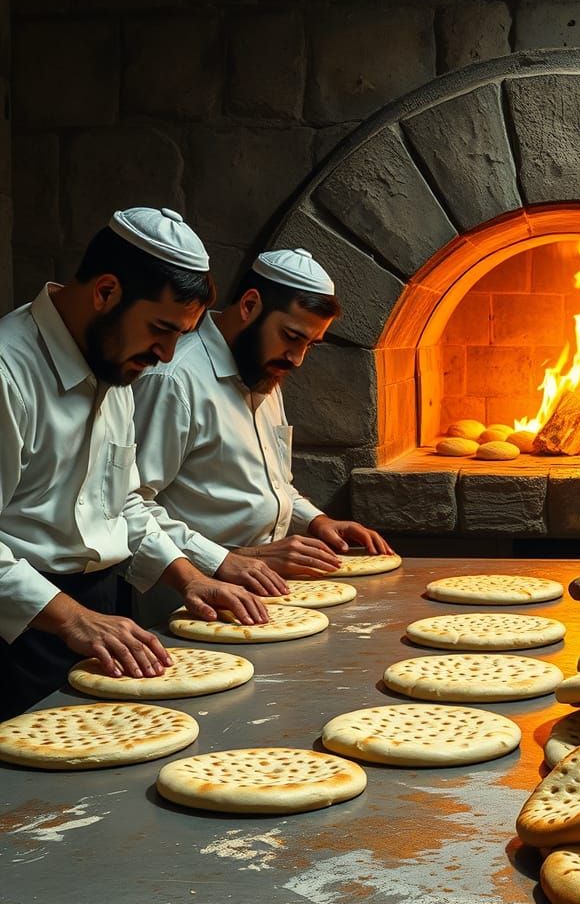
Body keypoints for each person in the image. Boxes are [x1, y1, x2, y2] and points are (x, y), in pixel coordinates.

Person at [0, 207, 270, 720]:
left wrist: (189, 576)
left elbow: (123, 505)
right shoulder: (7, 373)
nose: (168, 355)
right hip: (21, 635)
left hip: (103, 615)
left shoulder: (116, 366)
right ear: (105, 292)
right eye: (161, 329)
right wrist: (72, 618)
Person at [129, 246, 392, 627]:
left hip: (264, 595)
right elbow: (132, 505)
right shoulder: (174, 381)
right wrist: (225, 560)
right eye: (291, 336)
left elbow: (273, 485)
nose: (298, 358)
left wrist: (316, 521)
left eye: (310, 345)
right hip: (186, 603)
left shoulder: (263, 372)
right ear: (250, 305)